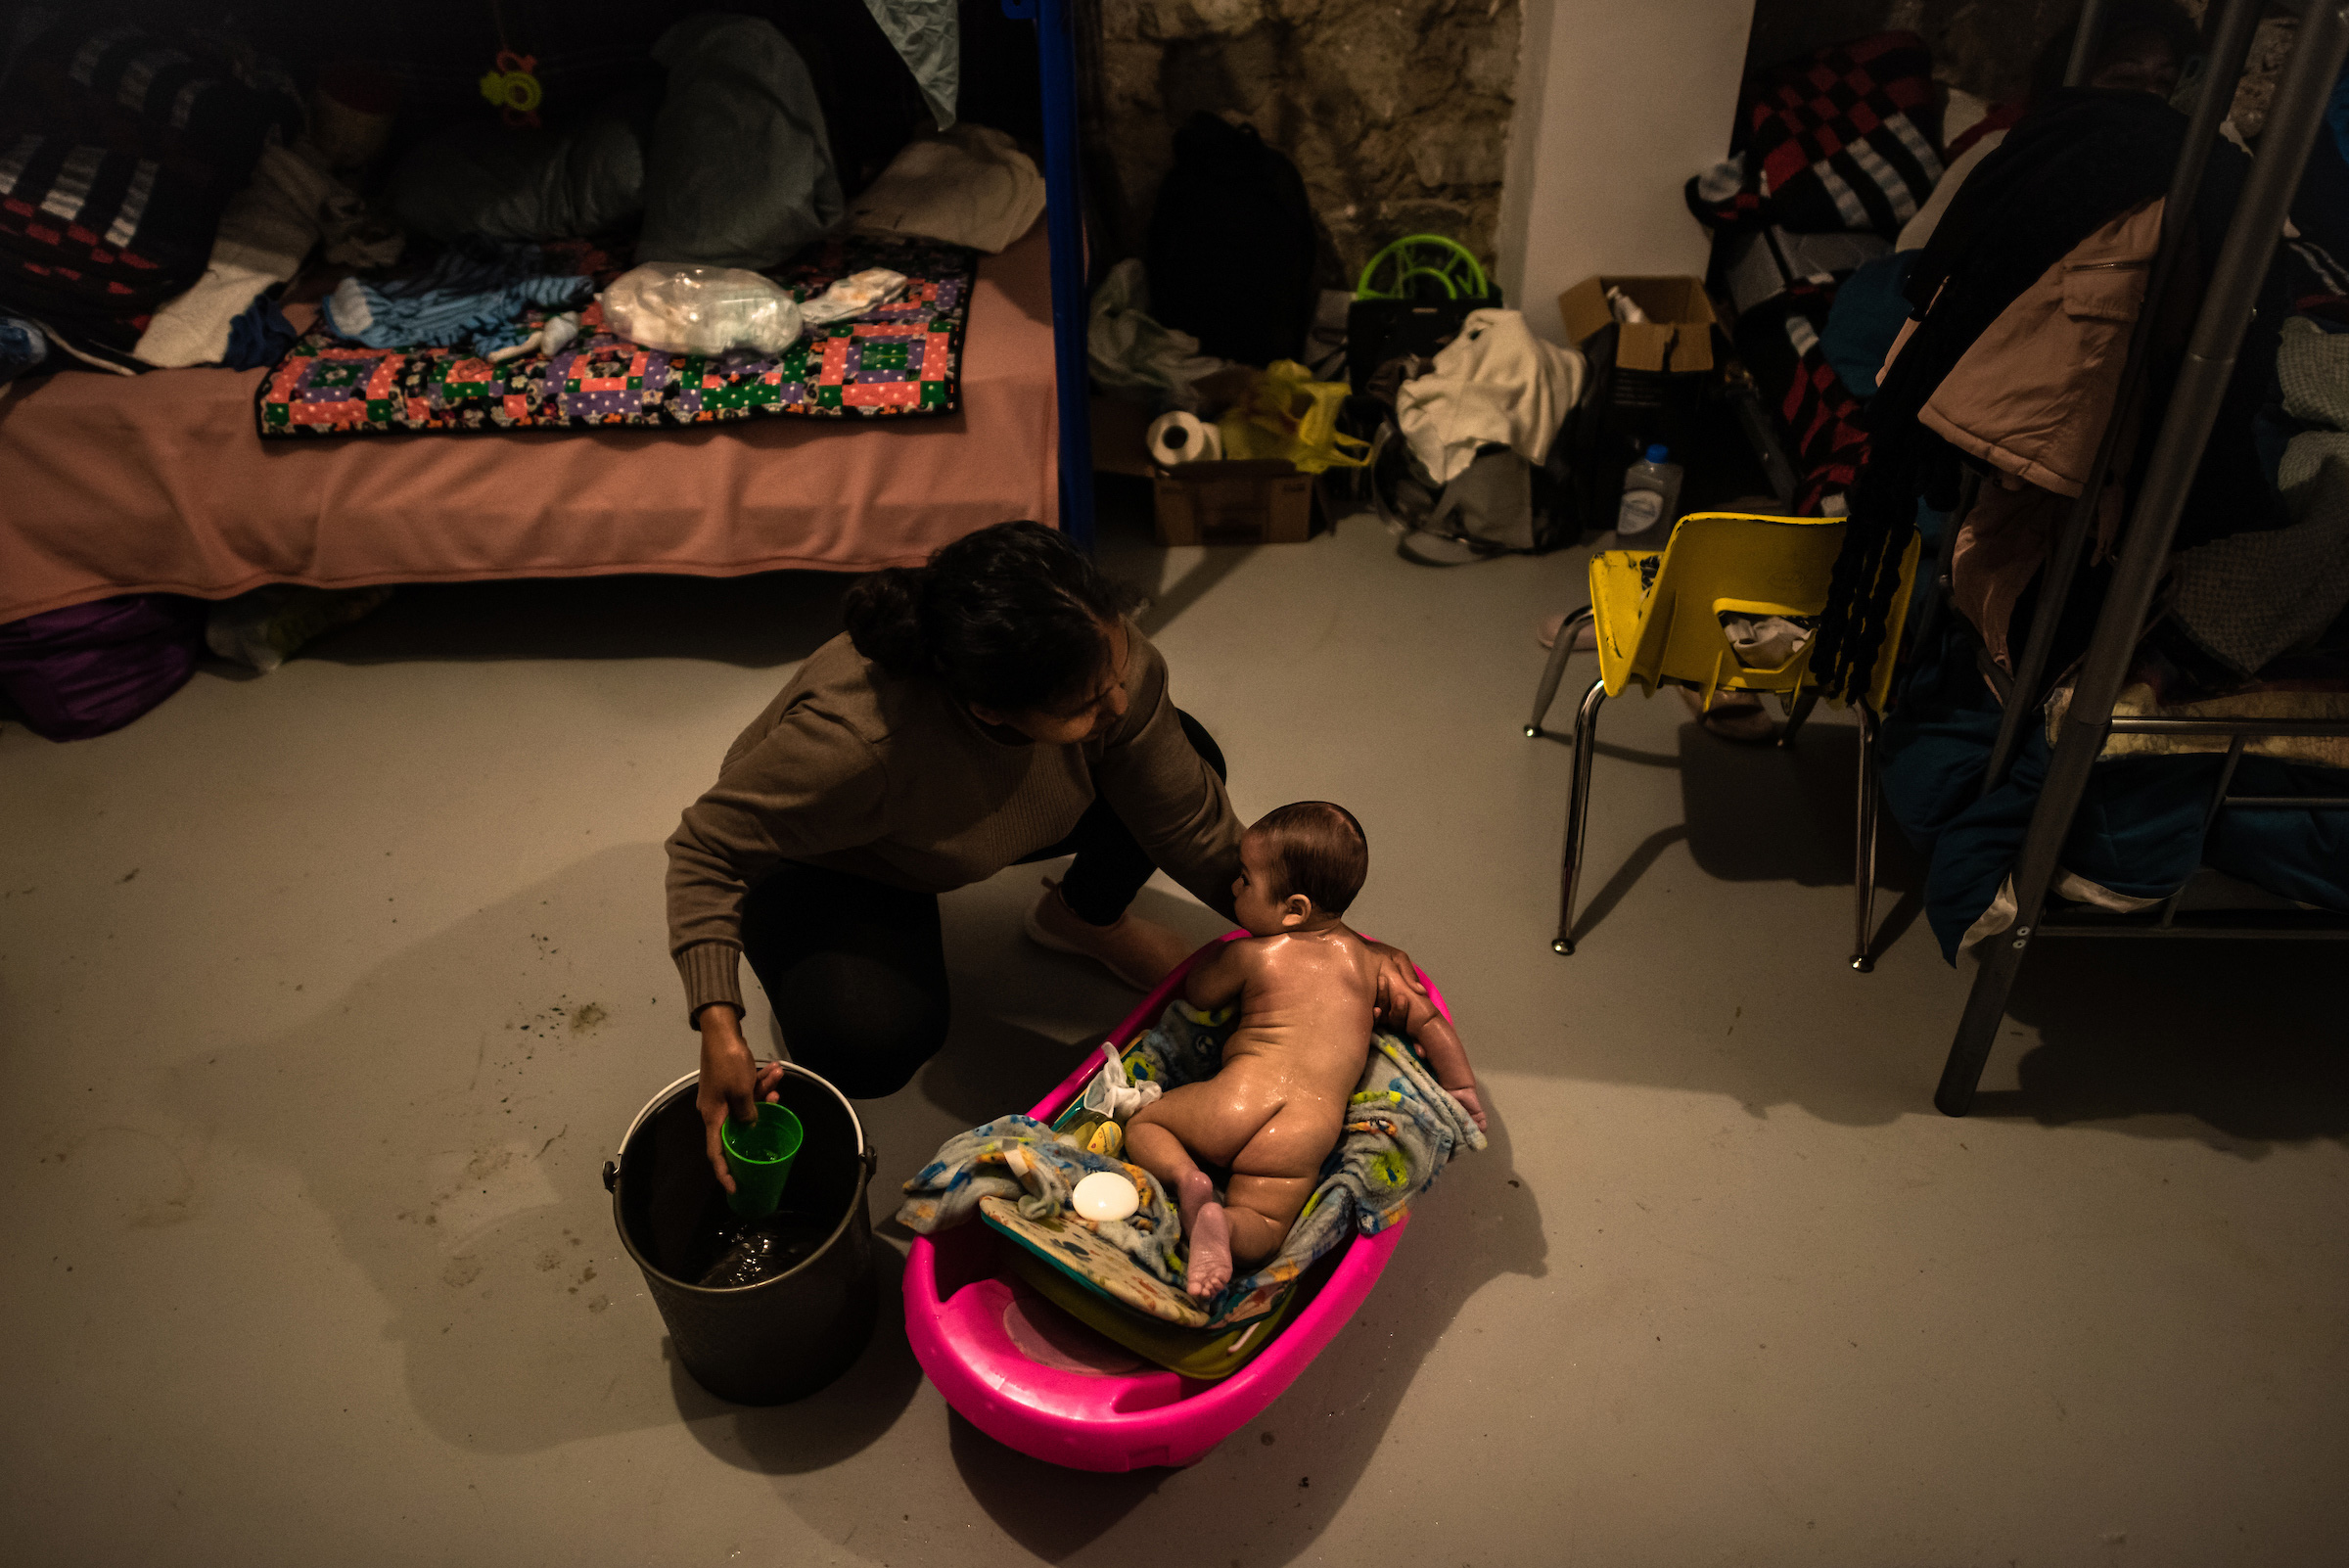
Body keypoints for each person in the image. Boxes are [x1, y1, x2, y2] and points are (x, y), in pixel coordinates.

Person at [666, 522, 1427, 1190]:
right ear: (992, 707)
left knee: (1191, 753)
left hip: (972, 819)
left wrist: (1329, 941)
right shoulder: (853, 745)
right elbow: (709, 847)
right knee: (868, 1042)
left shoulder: (1102, 659)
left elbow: (1191, 822)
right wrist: (718, 1022)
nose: (1118, 705)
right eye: (1088, 705)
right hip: (842, 857)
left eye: (1116, 675)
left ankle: (1079, 917)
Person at [1124, 802, 1482, 1301]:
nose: (1233, 887)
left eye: (1244, 881)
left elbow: (1199, 993)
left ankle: (1187, 1180)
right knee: (1266, 1226)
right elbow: (1427, 1019)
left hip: (1235, 1099)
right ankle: (1224, 1226)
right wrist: (1461, 1088)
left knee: (1147, 1124)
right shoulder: (1373, 965)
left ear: (1294, 909)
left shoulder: (1255, 955)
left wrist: (1222, 962)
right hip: (1304, 1131)